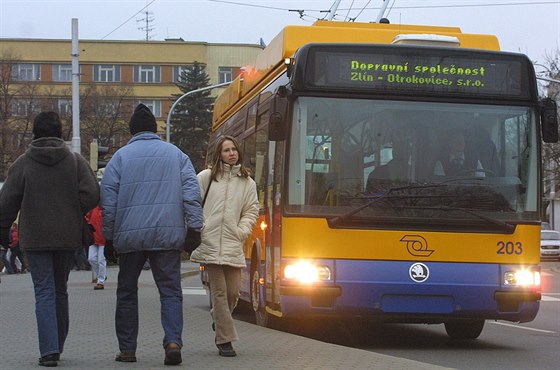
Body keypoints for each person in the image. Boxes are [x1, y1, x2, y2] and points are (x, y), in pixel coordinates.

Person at [100, 103, 203, 366]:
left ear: (132, 131)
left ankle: (127, 349)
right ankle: (172, 342)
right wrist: (194, 229)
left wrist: (109, 238)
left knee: (126, 292)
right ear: (155, 130)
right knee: (170, 291)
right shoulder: (176, 155)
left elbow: (108, 204)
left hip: (130, 238)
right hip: (167, 236)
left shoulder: (119, 158)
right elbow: (192, 195)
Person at [0, 111, 99, 367]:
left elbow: (7, 202)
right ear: (60, 134)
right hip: (67, 236)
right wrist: (73, 208)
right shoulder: (75, 161)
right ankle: (58, 344)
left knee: (43, 291)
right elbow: (92, 194)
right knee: (60, 290)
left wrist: (3, 230)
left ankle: (49, 350)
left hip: (35, 237)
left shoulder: (23, 163)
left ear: (34, 133)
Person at [189, 135, 259, 358]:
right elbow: (192, 203)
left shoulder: (247, 182)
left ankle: (219, 320)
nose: (231, 153)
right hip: (209, 243)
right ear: (219, 154)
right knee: (218, 292)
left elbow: (251, 211)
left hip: (232, 242)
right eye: (226, 150)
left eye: (234, 149)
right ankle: (225, 340)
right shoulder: (206, 178)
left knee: (233, 292)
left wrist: (241, 231)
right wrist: (201, 226)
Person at [86, 205, 106, 290]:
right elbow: (86, 218)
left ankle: (100, 281)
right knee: (91, 259)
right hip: (93, 239)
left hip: (103, 240)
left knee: (101, 260)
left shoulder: (104, 210)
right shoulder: (93, 210)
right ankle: (102, 276)